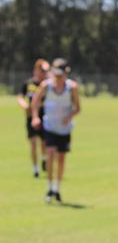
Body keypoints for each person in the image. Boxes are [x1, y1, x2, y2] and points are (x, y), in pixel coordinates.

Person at [31, 58, 80, 203]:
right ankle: (49, 187)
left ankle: (57, 188)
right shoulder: (46, 86)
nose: (58, 79)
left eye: (61, 76)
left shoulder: (72, 88)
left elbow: (78, 108)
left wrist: (69, 116)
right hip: (49, 127)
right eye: (56, 75)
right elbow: (35, 101)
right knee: (50, 154)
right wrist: (35, 117)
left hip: (64, 129)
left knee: (61, 159)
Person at [17, 59, 50, 178]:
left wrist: (38, 104)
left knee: (44, 142)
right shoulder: (28, 83)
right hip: (31, 117)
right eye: (41, 70)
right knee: (33, 143)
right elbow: (20, 97)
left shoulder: (47, 84)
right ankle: (35, 169)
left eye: (45, 71)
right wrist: (24, 105)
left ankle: (44, 159)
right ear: (35, 70)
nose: (43, 73)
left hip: (45, 117)